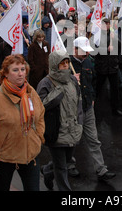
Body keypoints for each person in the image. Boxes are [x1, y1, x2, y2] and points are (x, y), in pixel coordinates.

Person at [0, 54, 45, 191]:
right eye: (15, 70)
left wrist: (38, 136)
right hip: (5, 157)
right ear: (6, 74)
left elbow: (40, 115)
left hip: (30, 155)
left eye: (23, 69)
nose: (20, 74)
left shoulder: (30, 91)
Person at [68, 36, 116, 181]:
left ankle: (101, 169)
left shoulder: (89, 62)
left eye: (88, 51)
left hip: (88, 107)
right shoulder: (66, 64)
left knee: (93, 139)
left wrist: (93, 97)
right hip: (72, 109)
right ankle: (68, 164)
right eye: (83, 51)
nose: (87, 54)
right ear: (75, 49)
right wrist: (69, 78)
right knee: (72, 140)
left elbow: (93, 81)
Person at [37, 49, 83, 191]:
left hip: (72, 129)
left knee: (67, 160)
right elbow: (41, 106)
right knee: (62, 167)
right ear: (54, 65)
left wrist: (80, 123)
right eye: (62, 64)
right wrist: (58, 90)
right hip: (55, 132)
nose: (66, 67)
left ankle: (47, 171)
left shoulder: (73, 80)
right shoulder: (45, 83)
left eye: (67, 63)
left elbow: (78, 103)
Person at [94, 18, 122, 116]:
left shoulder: (112, 35)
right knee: (97, 89)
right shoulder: (97, 37)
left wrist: (114, 38)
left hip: (112, 67)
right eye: (104, 24)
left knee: (115, 90)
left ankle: (115, 109)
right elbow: (94, 51)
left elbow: (120, 46)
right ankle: (92, 108)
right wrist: (106, 49)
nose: (106, 26)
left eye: (108, 24)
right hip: (101, 67)